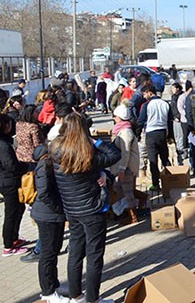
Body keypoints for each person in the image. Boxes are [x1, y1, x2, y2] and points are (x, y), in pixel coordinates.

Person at [50, 112, 120, 303]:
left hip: (72, 210)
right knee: (94, 256)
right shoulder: (87, 153)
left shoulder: (56, 150)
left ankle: (76, 295)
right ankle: (92, 299)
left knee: (75, 252)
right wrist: (94, 141)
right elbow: (114, 154)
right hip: (92, 209)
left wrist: (102, 173)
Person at [29, 144, 67, 302]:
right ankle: (48, 292)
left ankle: (54, 284)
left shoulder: (48, 164)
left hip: (51, 215)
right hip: (47, 215)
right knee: (48, 254)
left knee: (53, 251)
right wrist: (58, 208)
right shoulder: (44, 166)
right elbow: (44, 193)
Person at [0, 113, 29, 256]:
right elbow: (11, 165)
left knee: (19, 208)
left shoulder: (4, 142)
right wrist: (24, 166)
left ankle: (14, 238)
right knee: (11, 212)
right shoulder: (3, 145)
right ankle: (8, 245)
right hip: (8, 182)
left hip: (7, 181)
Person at [136, 85, 172, 192]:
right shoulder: (165, 104)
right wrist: (170, 136)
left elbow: (141, 121)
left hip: (151, 134)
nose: (144, 96)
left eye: (144, 94)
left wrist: (137, 134)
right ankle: (170, 180)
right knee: (165, 158)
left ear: (149, 92)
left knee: (153, 160)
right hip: (163, 132)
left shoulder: (147, 105)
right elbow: (170, 121)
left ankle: (156, 184)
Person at [111, 105, 140, 223]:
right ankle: (124, 212)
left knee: (127, 191)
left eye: (116, 117)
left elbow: (126, 152)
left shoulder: (126, 132)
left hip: (126, 167)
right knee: (119, 189)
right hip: (122, 166)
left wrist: (122, 169)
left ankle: (133, 216)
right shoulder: (121, 130)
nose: (114, 119)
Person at [170, 82, 186, 165]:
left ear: (178, 88)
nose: (172, 90)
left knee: (180, 136)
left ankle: (182, 151)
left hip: (179, 119)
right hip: (174, 118)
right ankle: (178, 150)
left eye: (173, 88)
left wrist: (178, 117)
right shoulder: (173, 96)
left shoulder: (181, 96)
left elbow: (180, 108)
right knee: (176, 136)